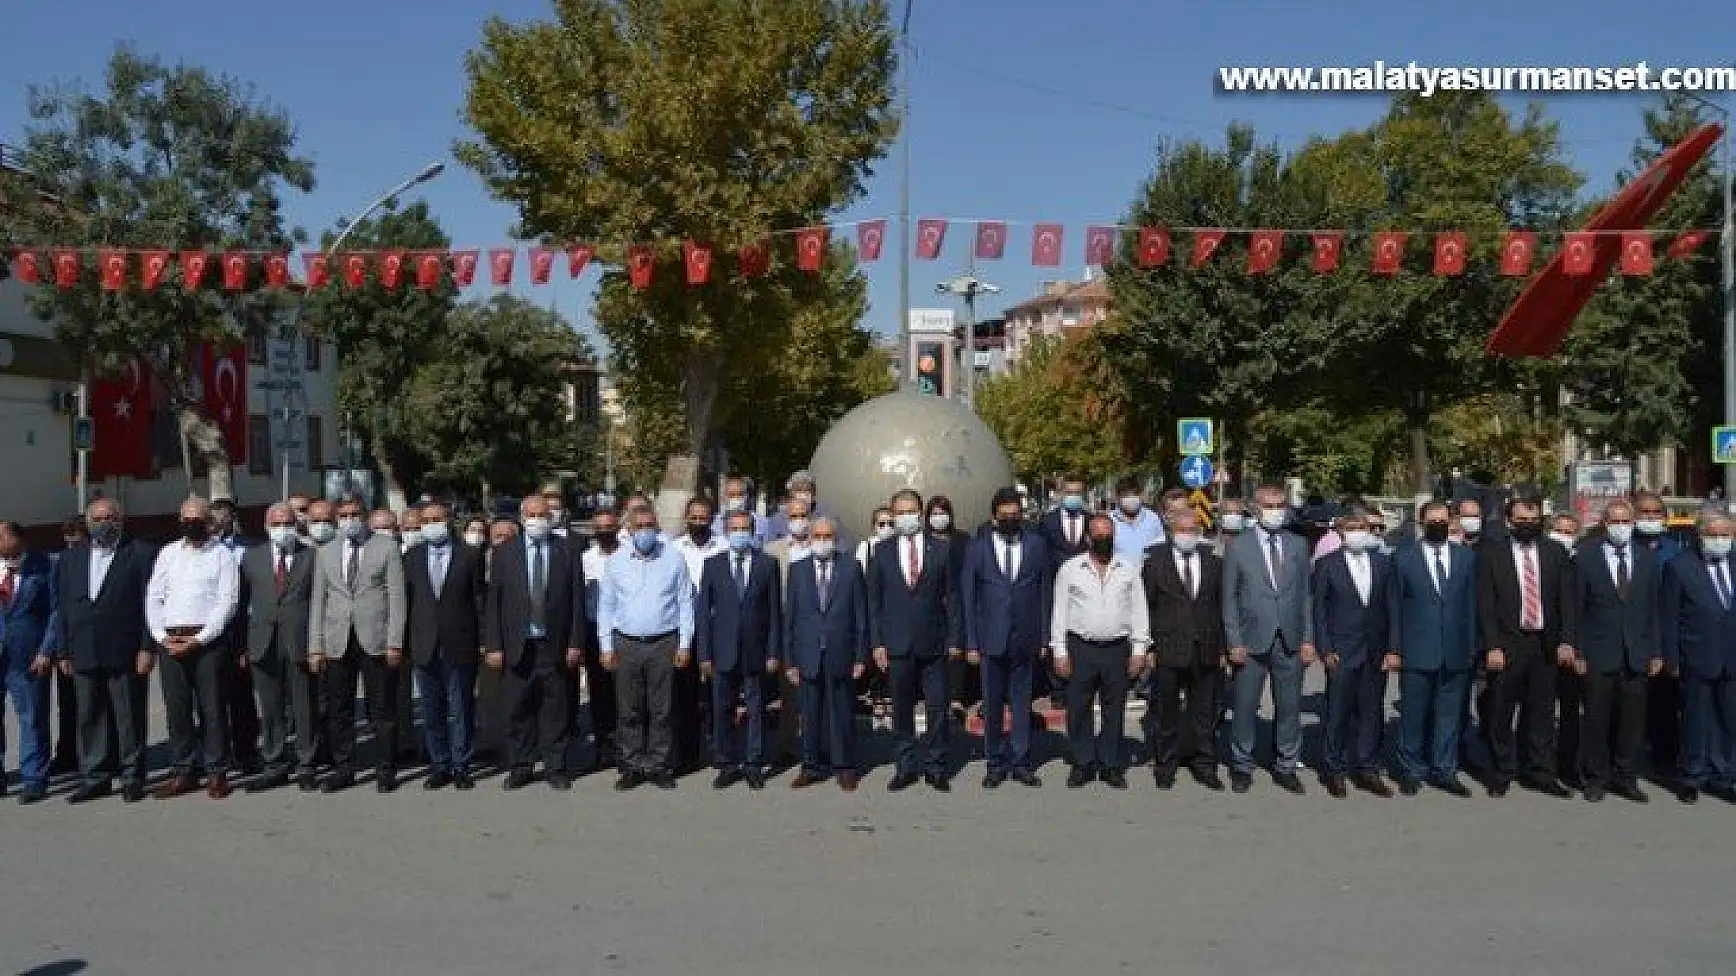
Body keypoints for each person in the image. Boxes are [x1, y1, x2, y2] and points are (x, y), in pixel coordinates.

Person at [56, 499, 156, 804]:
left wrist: (146, 647)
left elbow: (150, 605)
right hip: (83, 648)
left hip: (125, 650)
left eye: (111, 517)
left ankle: (131, 775)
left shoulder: (140, 554)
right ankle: (95, 776)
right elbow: (62, 608)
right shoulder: (71, 559)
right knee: (89, 715)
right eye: (98, 518)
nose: (105, 523)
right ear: (88, 523)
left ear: (122, 521)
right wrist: (63, 650)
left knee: (128, 715)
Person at [484, 495, 586, 791]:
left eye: (544, 514)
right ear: (522, 517)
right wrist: (494, 645)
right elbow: (494, 603)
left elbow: (576, 601)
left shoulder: (566, 550)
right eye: (533, 515)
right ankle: (521, 765)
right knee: (517, 709)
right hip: (518, 645)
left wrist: (575, 642)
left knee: (555, 709)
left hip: (553, 643)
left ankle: (556, 766)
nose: (539, 520)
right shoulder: (505, 553)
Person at [1477, 497, 1576, 799]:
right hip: (1508, 643)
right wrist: (1491, 645)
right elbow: (1486, 603)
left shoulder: (1554, 552)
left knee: (1542, 712)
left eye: (1533, 520)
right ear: (1509, 522)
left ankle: (1540, 771)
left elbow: (1566, 602)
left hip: (1544, 644)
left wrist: (1566, 641)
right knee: (1501, 710)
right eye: (1521, 521)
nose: (1528, 526)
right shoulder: (1492, 553)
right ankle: (1502, 771)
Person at [309, 496, 408, 794]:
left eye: (355, 514)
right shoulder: (326, 552)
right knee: (339, 709)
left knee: (382, 709)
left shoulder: (386, 547)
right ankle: (344, 769)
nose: (349, 520)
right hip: (337, 640)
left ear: (364, 516)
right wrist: (316, 646)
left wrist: (395, 642)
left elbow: (396, 597)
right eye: (344, 515)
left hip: (375, 638)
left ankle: (385, 769)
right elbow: (319, 601)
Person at [146, 496, 243, 800]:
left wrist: (200, 639)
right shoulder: (168, 554)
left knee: (212, 708)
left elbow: (227, 601)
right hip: (170, 641)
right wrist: (162, 636)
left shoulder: (221, 556)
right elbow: (154, 596)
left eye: (197, 518)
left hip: (207, 642)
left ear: (208, 521)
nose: (191, 523)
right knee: (177, 710)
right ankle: (183, 771)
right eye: (186, 518)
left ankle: (216, 772)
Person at [1221, 484, 1315, 794]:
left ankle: (1286, 764)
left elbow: (1305, 597)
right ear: (1256, 508)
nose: (1276, 510)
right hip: (1250, 640)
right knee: (1245, 706)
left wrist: (1307, 639)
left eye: (1280, 505)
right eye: (1269, 505)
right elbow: (1229, 599)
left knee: (1288, 707)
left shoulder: (1298, 545)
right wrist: (1233, 641)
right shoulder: (1238, 547)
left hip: (1289, 638)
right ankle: (1242, 764)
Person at [869, 489, 963, 792]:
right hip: (897, 643)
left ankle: (936, 766)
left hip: (934, 642)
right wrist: (877, 643)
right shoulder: (881, 551)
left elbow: (953, 597)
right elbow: (875, 602)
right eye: (901, 513)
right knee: (901, 709)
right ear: (893, 516)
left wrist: (955, 639)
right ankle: (905, 765)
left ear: (921, 513)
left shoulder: (941, 549)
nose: (907, 517)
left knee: (937, 708)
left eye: (912, 511)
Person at [1568, 498, 1661, 803]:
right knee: (1596, 719)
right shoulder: (1586, 557)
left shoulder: (1647, 559)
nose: (1621, 527)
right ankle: (1596, 777)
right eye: (1615, 521)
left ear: (1633, 524)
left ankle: (1627, 777)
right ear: (1605, 524)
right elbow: (1575, 609)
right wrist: (1578, 652)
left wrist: (1656, 652)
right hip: (1598, 653)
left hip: (1636, 653)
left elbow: (1653, 611)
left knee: (1632, 722)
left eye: (1626, 521)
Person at [598, 504, 695, 791]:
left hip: (664, 643)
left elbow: (685, 603)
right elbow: (606, 606)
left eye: (649, 525)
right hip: (625, 643)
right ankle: (631, 765)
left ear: (658, 527)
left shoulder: (674, 560)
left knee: (661, 710)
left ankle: (658, 765)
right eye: (638, 526)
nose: (644, 531)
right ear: (628, 530)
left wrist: (685, 644)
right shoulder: (615, 563)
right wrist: (606, 646)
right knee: (628, 710)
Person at [961, 488, 1053, 789]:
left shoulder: (1036, 545)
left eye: (1016, 515)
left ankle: (1022, 762)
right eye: (1005, 516)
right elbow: (969, 598)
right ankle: (995, 763)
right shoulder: (977, 549)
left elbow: (1044, 593)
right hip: (991, 638)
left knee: (1021, 702)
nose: (1011, 520)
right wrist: (972, 643)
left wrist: (1044, 637)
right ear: (994, 517)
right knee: (993, 702)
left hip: (1025, 637)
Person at [1051, 512, 1150, 789]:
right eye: (1099, 536)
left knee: (1113, 709)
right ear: (1088, 538)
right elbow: (1059, 612)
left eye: (1109, 536)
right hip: (1081, 647)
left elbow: (1139, 610)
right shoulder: (1071, 569)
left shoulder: (1128, 569)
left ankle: (1110, 764)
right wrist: (1059, 651)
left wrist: (1140, 649)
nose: (1104, 540)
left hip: (1117, 648)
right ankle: (1082, 762)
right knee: (1078, 709)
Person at [1390, 501, 1479, 796]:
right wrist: (1395, 648)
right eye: (1432, 521)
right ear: (1422, 523)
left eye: (1443, 520)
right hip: (1417, 649)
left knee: (1449, 715)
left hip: (1456, 650)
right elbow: (1395, 607)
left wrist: (1472, 646)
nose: (1438, 525)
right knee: (1414, 713)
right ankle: (1411, 769)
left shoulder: (1466, 558)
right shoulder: (1404, 558)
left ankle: (1445, 769)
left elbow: (1471, 606)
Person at [1312, 504, 1396, 798]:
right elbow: (1319, 612)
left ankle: (1367, 768)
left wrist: (1393, 649)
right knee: (1337, 712)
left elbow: (1392, 609)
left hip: (1375, 649)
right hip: (1341, 650)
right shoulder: (1327, 564)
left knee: (1372, 712)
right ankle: (1334, 769)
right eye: (1352, 529)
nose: (1358, 534)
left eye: (1363, 528)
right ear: (1340, 532)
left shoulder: (1384, 564)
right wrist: (1326, 649)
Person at [237, 503, 320, 793]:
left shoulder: (310, 556)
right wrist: (242, 646)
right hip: (262, 642)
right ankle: (274, 762)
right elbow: (241, 604)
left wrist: (316, 645)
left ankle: (306, 763)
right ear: (265, 524)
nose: (282, 529)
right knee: (270, 708)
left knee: (304, 705)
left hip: (299, 641)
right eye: (276, 523)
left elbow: (318, 603)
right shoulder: (251, 558)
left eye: (287, 523)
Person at [696, 510, 781, 789]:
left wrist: (773, 652)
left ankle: (754, 763)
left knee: (756, 709)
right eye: (735, 528)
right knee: (722, 708)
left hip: (755, 650)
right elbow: (703, 613)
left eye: (745, 528)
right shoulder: (713, 565)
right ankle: (727, 763)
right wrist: (704, 654)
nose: (740, 533)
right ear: (726, 532)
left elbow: (774, 613)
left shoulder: (768, 565)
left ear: (753, 531)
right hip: (722, 651)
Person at [1141, 509, 1225, 791]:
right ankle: (1166, 764)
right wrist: (1149, 646)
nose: (1188, 535)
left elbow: (1219, 604)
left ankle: (1205, 764)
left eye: (1193, 529)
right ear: (1171, 531)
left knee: (1204, 713)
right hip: (1168, 647)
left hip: (1206, 646)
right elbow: (1147, 607)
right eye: (1182, 530)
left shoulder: (1212, 561)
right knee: (1167, 711)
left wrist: (1223, 646)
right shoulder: (1155, 562)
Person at [785, 516, 869, 790]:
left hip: (840, 652)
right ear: (810, 539)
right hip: (807, 653)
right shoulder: (797, 571)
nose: (823, 541)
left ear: (836, 539)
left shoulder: (851, 568)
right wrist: (790, 661)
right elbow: (791, 619)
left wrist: (860, 656)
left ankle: (844, 766)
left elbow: (860, 616)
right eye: (818, 536)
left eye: (828, 536)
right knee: (809, 714)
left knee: (842, 712)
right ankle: (810, 766)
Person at [406, 502, 486, 790]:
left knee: (461, 707)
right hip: (424, 643)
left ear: (449, 520)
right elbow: (409, 602)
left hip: (460, 642)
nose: (430, 525)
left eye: (436, 519)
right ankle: (438, 764)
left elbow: (479, 601)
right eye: (425, 520)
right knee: (431, 709)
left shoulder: (469, 555)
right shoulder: (412, 557)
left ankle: (461, 764)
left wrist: (483, 641)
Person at [1659, 508, 1736, 803]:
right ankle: (1693, 775)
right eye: (1713, 535)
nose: (1719, 541)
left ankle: (1727, 776)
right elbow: (1669, 617)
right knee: (1695, 720)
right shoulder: (1680, 566)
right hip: (1696, 656)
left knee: (1730, 721)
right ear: (1700, 535)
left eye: (1725, 535)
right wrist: (1672, 658)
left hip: (1731, 657)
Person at [1, 521, 58, 804]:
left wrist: (47, 650)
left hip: (28, 654)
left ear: (19, 539)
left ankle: (34, 777)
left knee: (32, 716)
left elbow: (55, 612)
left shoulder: (44, 565)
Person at [1633, 491, 1687, 775]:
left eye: (1656, 513)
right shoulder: (1623, 547)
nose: (1651, 518)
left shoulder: (1676, 551)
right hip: (1632, 635)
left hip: (1666, 634)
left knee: (1665, 698)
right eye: (1645, 513)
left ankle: (1665, 756)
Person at [209, 490, 262, 776]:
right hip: (211, 633)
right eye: (214, 514)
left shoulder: (250, 548)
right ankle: (217, 754)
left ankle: (247, 752)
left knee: (242, 697)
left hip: (241, 630)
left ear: (233, 517)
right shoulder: (202, 549)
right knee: (213, 698)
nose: (220, 520)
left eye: (225, 514)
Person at [673, 497, 727, 771]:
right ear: (686, 518)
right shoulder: (673, 548)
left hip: (717, 630)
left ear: (712, 518)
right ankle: (688, 753)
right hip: (684, 630)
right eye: (693, 518)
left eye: (703, 518)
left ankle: (722, 750)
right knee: (685, 694)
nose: (698, 523)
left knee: (719, 693)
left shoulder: (724, 546)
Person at [925, 495, 975, 722]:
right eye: (934, 513)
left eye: (942, 512)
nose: (938, 518)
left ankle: (956, 698)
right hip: (932, 602)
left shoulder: (963, 540)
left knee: (957, 648)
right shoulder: (923, 541)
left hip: (958, 599)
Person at [48, 516, 86, 774]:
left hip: (92, 643)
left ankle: (100, 754)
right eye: (68, 543)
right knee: (68, 704)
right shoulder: (60, 564)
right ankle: (67, 754)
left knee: (97, 705)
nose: (72, 548)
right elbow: (57, 608)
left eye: (77, 542)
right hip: (68, 644)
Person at [1109, 476, 1165, 564]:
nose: (1131, 498)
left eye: (1134, 494)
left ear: (1141, 495)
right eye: (1126, 495)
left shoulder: (1153, 518)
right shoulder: (1110, 520)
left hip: (1150, 573)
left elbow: (1161, 546)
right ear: (1117, 497)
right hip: (1120, 575)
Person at [711, 475, 769, 544]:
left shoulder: (761, 522)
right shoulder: (714, 522)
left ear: (747, 496)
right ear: (725, 496)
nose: (736, 498)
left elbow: (768, 548)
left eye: (740, 494)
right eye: (732, 495)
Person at [854, 507, 894, 571]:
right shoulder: (865, 546)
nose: (887, 527)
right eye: (881, 524)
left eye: (891, 523)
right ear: (874, 526)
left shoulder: (899, 545)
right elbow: (858, 572)